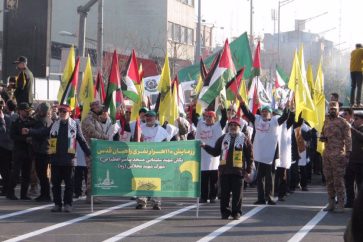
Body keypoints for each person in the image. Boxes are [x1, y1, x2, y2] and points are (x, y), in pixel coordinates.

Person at [239, 95, 290, 205]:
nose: (264, 113)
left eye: (266, 111)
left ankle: (269, 197)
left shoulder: (275, 121)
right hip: (259, 153)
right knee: (259, 177)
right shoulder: (257, 120)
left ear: (270, 114)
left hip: (270, 154)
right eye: (263, 111)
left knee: (269, 177)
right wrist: (242, 102)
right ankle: (261, 198)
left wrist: (287, 107)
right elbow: (247, 113)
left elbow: (285, 116)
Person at [201, 118, 253, 220]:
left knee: (237, 195)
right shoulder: (223, 138)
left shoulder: (244, 139)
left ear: (239, 127)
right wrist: (205, 146)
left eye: (235, 125)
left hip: (238, 172)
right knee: (224, 194)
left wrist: (248, 171)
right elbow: (215, 152)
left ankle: (236, 213)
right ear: (228, 127)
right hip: (225, 171)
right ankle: (224, 212)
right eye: (231, 125)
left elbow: (250, 157)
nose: (233, 127)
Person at [49, 104, 90, 212]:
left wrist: (89, 152)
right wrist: (31, 132)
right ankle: (57, 204)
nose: (62, 114)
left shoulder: (75, 125)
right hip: (55, 159)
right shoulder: (54, 124)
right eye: (60, 112)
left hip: (69, 160)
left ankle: (68, 204)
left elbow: (81, 140)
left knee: (69, 184)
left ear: (69, 113)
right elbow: (45, 134)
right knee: (55, 184)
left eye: (64, 112)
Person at [320, 101, 352, 213]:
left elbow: (348, 139)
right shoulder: (326, 121)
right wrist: (322, 137)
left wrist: (348, 154)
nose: (332, 110)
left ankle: (341, 204)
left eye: (334, 108)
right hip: (327, 154)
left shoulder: (343, 122)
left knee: (338, 180)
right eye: (331, 108)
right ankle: (331, 203)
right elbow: (322, 134)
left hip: (338, 155)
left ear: (338, 109)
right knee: (329, 180)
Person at [137, 110, 169, 210]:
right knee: (142, 179)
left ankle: (156, 202)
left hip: (157, 159)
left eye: (151, 117)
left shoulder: (162, 131)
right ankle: (142, 201)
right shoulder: (140, 129)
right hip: (143, 158)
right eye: (147, 117)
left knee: (156, 180)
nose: (149, 118)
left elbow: (167, 145)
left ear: (155, 118)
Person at [196, 107, 227, 204]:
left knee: (214, 179)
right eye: (207, 116)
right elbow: (193, 118)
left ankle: (213, 196)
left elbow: (224, 118)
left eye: (211, 116)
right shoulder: (201, 125)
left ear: (215, 118)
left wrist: (223, 109)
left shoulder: (218, 125)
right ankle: (203, 197)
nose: (208, 118)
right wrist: (192, 107)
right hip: (203, 156)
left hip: (214, 156)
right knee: (204, 179)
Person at [23, 102, 53, 202]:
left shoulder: (45, 121)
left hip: (43, 151)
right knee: (41, 174)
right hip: (40, 150)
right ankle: (43, 194)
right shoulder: (42, 120)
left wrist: (30, 132)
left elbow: (41, 132)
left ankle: (46, 195)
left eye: (40, 109)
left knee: (43, 174)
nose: (39, 111)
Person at [81, 100, 109, 203]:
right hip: (90, 149)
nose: (101, 109)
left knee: (96, 172)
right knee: (92, 173)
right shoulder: (89, 120)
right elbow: (92, 133)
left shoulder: (96, 119)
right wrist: (105, 137)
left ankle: (94, 194)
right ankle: (90, 195)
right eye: (99, 107)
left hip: (97, 150)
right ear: (94, 108)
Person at [7, 102, 35, 200]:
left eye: (28, 111)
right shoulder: (15, 122)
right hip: (19, 151)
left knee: (26, 174)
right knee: (15, 173)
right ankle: (10, 192)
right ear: (20, 111)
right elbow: (12, 136)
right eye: (25, 111)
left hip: (29, 151)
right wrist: (24, 139)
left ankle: (24, 194)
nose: (27, 113)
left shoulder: (32, 121)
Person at [344, 111, 363, 208]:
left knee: (360, 184)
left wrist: (352, 129)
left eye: (357, 119)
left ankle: (360, 203)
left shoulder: (357, 129)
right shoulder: (351, 128)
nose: (354, 121)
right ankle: (350, 201)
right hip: (350, 160)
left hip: (360, 161)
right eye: (354, 118)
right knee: (348, 182)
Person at [0, 99, 13, 196]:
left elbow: (5, 131)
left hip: (5, 147)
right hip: (4, 146)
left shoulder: (8, 118)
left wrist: (2, 119)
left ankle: (6, 189)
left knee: (5, 170)